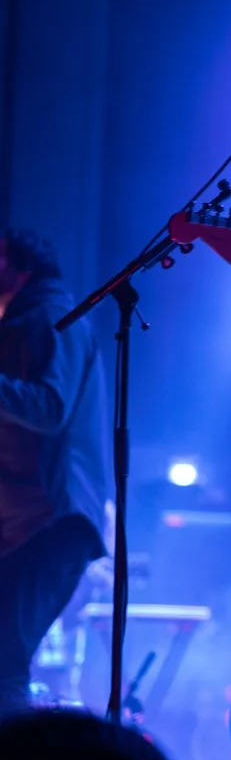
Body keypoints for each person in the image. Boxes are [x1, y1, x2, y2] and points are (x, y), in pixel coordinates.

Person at [0, 230, 108, 715]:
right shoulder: (25, 322)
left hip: (53, 520)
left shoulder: (50, 317)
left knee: (4, 662)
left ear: (21, 268)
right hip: (30, 522)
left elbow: (49, 407)